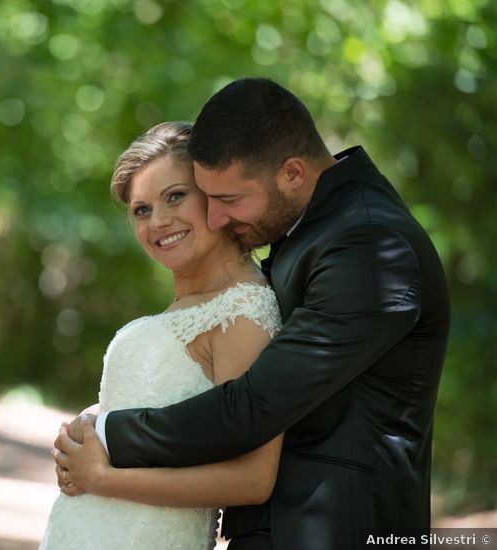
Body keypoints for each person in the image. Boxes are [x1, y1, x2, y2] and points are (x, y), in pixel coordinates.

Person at [54, 78, 450, 550]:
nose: (217, 218)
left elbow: (254, 406)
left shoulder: (369, 245)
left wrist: (108, 433)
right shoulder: (315, 231)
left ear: (292, 174)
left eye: (227, 200)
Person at [40, 121, 284, 550]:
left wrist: (101, 477)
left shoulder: (243, 311)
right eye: (142, 209)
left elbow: (253, 479)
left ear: (215, 194)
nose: (159, 222)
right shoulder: (188, 305)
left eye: (175, 196)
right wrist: (88, 426)